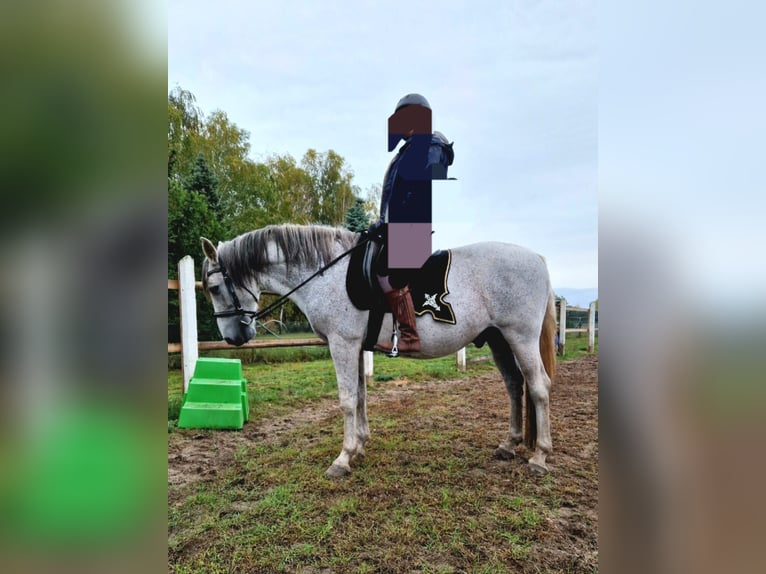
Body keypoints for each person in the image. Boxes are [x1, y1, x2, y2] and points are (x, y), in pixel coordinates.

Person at [375, 93, 454, 355]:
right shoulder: (406, 152)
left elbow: (430, 168)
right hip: (398, 227)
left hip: (411, 229)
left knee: (388, 274)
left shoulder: (429, 145)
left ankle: (410, 336)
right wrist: (380, 223)